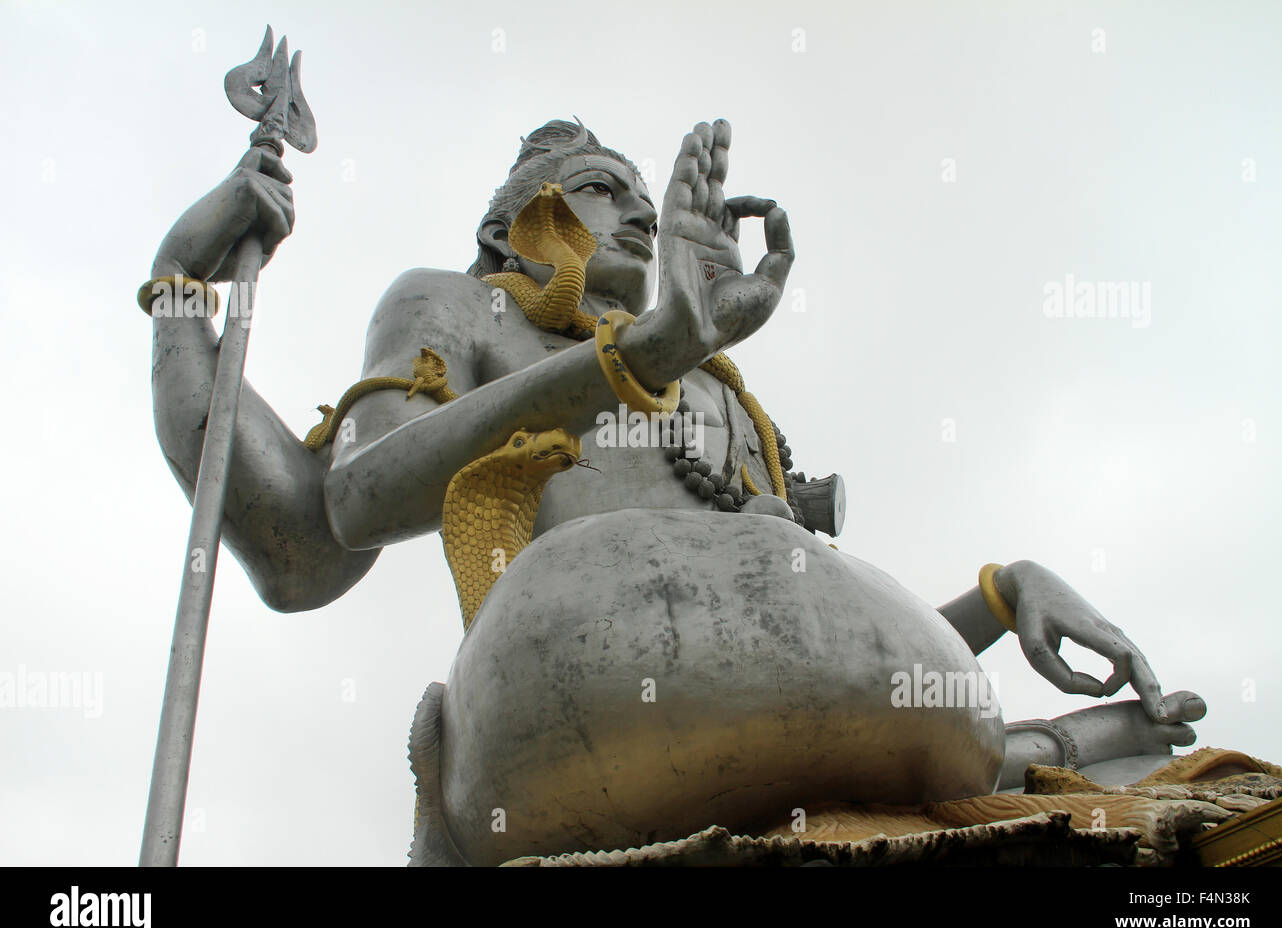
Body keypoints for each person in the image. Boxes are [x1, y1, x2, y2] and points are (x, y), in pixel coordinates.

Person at [145, 118, 1205, 864]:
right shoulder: (461, 307)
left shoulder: (714, 381)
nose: (643, 220)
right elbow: (331, 521)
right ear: (519, 220)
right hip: (565, 677)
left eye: (651, 203)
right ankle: (1037, 751)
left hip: (767, 695)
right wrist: (181, 294)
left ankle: (1052, 745)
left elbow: (816, 646)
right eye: (608, 189)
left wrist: (1003, 590)